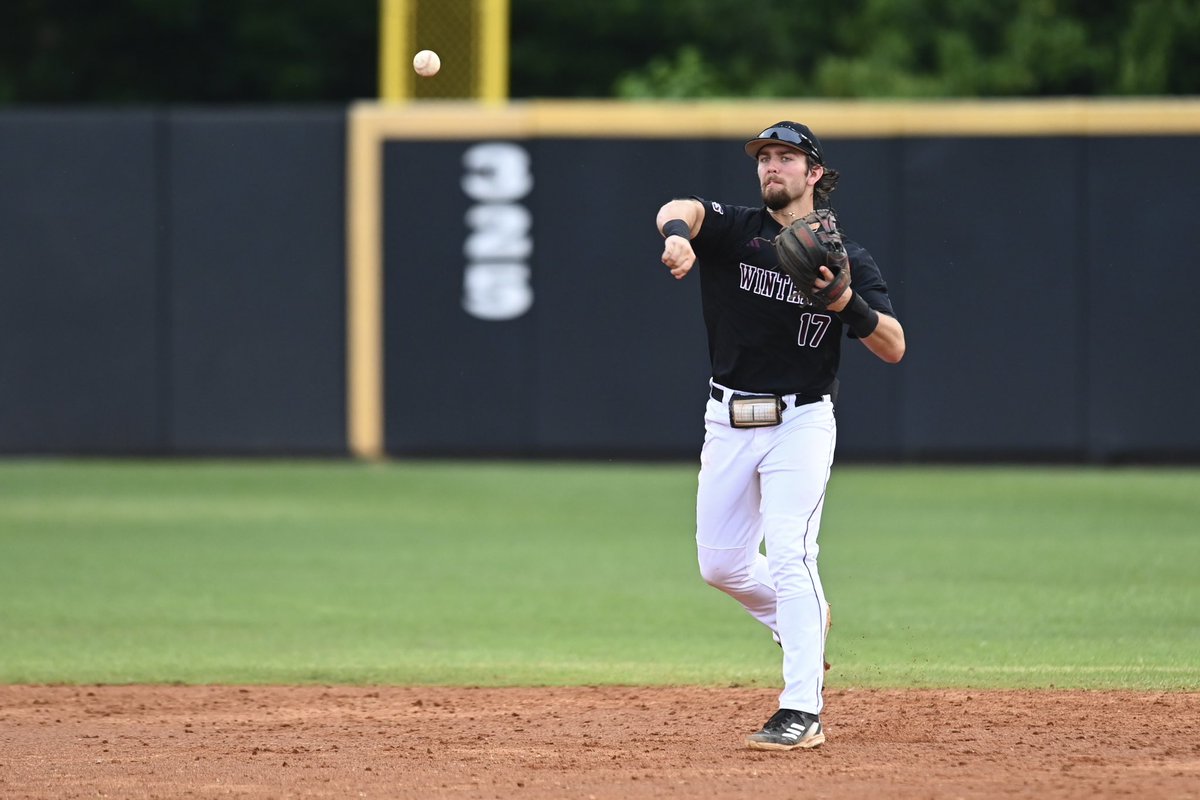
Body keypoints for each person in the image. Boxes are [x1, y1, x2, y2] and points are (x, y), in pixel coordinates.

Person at [655, 121, 905, 751]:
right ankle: (801, 619)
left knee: (792, 552)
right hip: (729, 418)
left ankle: (802, 709)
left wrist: (847, 303)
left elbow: (894, 346)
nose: (771, 166)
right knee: (719, 564)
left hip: (801, 420)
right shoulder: (735, 229)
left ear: (814, 173)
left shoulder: (845, 258)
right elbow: (677, 206)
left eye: (786, 157)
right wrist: (680, 238)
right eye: (764, 157)